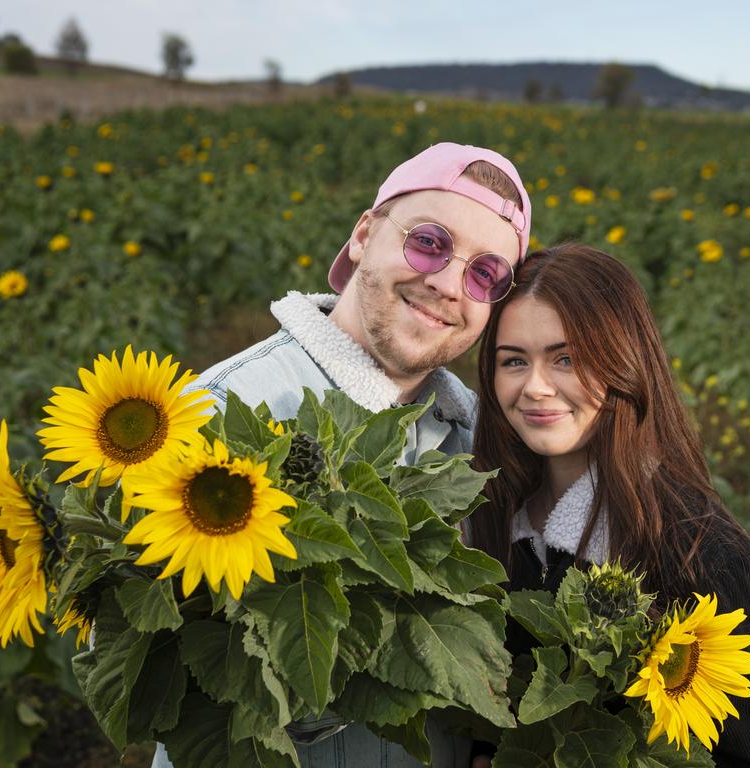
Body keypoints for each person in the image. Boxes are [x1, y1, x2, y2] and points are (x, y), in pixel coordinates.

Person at [151, 142, 532, 768]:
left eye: (484, 273)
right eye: (429, 242)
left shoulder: (488, 443)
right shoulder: (221, 408)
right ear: (363, 235)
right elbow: (145, 651)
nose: (445, 284)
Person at [468, 244, 750, 768]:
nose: (536, 387)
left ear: (623, 361)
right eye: (514, 361)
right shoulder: (497, 528)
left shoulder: (700, 554)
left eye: (566, 358)